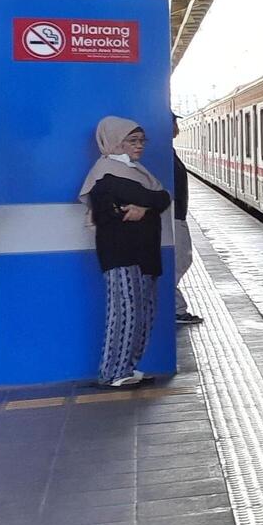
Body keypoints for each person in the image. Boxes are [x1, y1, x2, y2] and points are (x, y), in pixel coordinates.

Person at [79, 116, 171, 388]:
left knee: (144, 312)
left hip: (145, 251)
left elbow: (162, 197)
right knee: (125, 312)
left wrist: (145, 208)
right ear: (115, 141)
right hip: (121, 252)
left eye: (142, 140)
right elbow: (121, 209)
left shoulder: (137, 171)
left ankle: (129, 367)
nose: (140, 146)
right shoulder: (104, 174)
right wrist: (148, 204)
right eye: (133, 140)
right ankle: (112, 371)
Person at [170, 115, 203, 325]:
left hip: (177, 215)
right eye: (173, 122)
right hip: (172, 216)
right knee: (180, 259)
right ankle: (175, 308)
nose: (176, 127)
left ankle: (176, 307)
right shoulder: (163, 153)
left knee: (183, 258)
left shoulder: (168, 151)